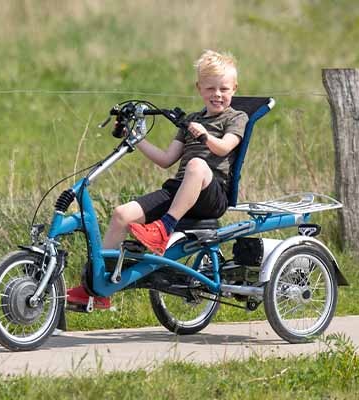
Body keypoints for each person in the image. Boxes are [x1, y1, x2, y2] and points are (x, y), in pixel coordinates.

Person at [67, 50, 249, 309]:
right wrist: (136, 139)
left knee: (197, 165)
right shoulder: (191, 120)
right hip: (180, 191)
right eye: (210, 88)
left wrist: (205, 136)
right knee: (121, 215)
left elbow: (224, 147)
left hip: (211, 195)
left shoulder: (236, 117)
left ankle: (164, 228)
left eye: (224, 88)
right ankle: (97, 288)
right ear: (199, 89)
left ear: (234, 89)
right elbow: (166, 159)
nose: (217, 94)